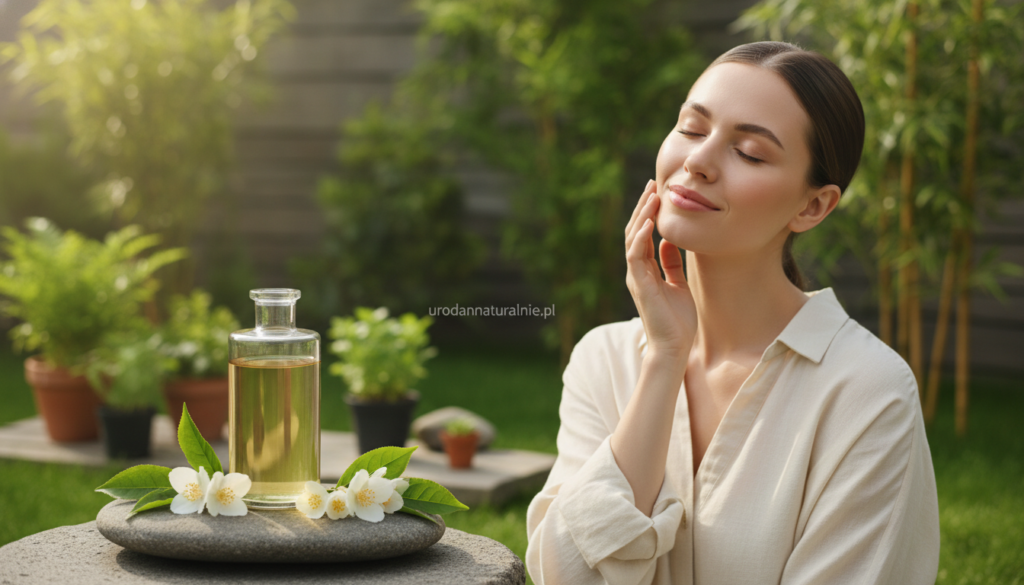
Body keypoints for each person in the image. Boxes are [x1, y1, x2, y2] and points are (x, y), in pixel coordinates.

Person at [525, 41, 940, 585]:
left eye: (749, 152)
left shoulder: (868, 392)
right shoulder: (602, 360)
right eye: (692, 130)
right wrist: (665, 360)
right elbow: (565, 575)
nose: (697, 161)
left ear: (812, 205)